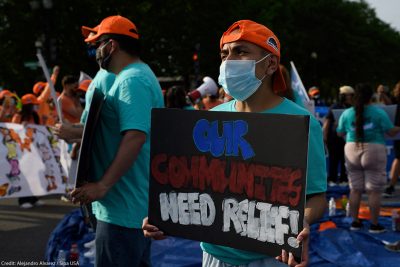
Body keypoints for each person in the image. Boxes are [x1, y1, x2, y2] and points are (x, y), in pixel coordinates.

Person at [143, 20, 327, 267]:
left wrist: (302, 221)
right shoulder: (211, 118)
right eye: (224, 53)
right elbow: (197, 186)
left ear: (270, 64)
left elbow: (316, 197)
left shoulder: (302, 123)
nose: (229, 60)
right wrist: (165, 215)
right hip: (214, 256)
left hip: (269, 258)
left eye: (241, 51)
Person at [69, 15, 164, 267]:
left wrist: (102, 186)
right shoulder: (132, 76)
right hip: (126, 207)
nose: (94, 51)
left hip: (123, 210)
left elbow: (135, 137)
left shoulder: (132, 79)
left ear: (111, 45)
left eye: (96, 44)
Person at [337, 83, 400, 233]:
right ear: (371, 97)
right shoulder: (378, 113)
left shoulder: (346, 113)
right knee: (374, 191)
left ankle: (355, 222)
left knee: (355, 189)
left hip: (351, 148)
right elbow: (391, 132)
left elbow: (340, 133)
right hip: (374, 149)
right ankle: (374, 224)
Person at [12, 94, 44, 208]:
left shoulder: (35, 115)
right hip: (22, 151)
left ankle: (34, 198)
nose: (35, 107)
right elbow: (12, 132)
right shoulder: (18, 116)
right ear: (27, 106)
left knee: (35, 174)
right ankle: (23, 200)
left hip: (34, 150)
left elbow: (40, 130)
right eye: (32, 105)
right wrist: (21, 126)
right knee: (25, 175)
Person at [323, 85, 354, 186]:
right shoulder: (334, 107)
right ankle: (332, 179)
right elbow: (327, 123)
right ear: (342, 96)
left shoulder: (353, 108)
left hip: (348, 139)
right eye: (348, 95)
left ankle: (344, 179)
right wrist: (324, 137)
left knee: (345, 159)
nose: (350, 98)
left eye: (352, 95)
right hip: (334, 139)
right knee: (333, 159)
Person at [385, 81, 400, 197]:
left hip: (397, 132)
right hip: (398, 132)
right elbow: (388, 103)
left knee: (398, 159)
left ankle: (391, 185)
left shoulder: (395, 100)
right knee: (398, 159)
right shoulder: (395, 101)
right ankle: (391, 185)